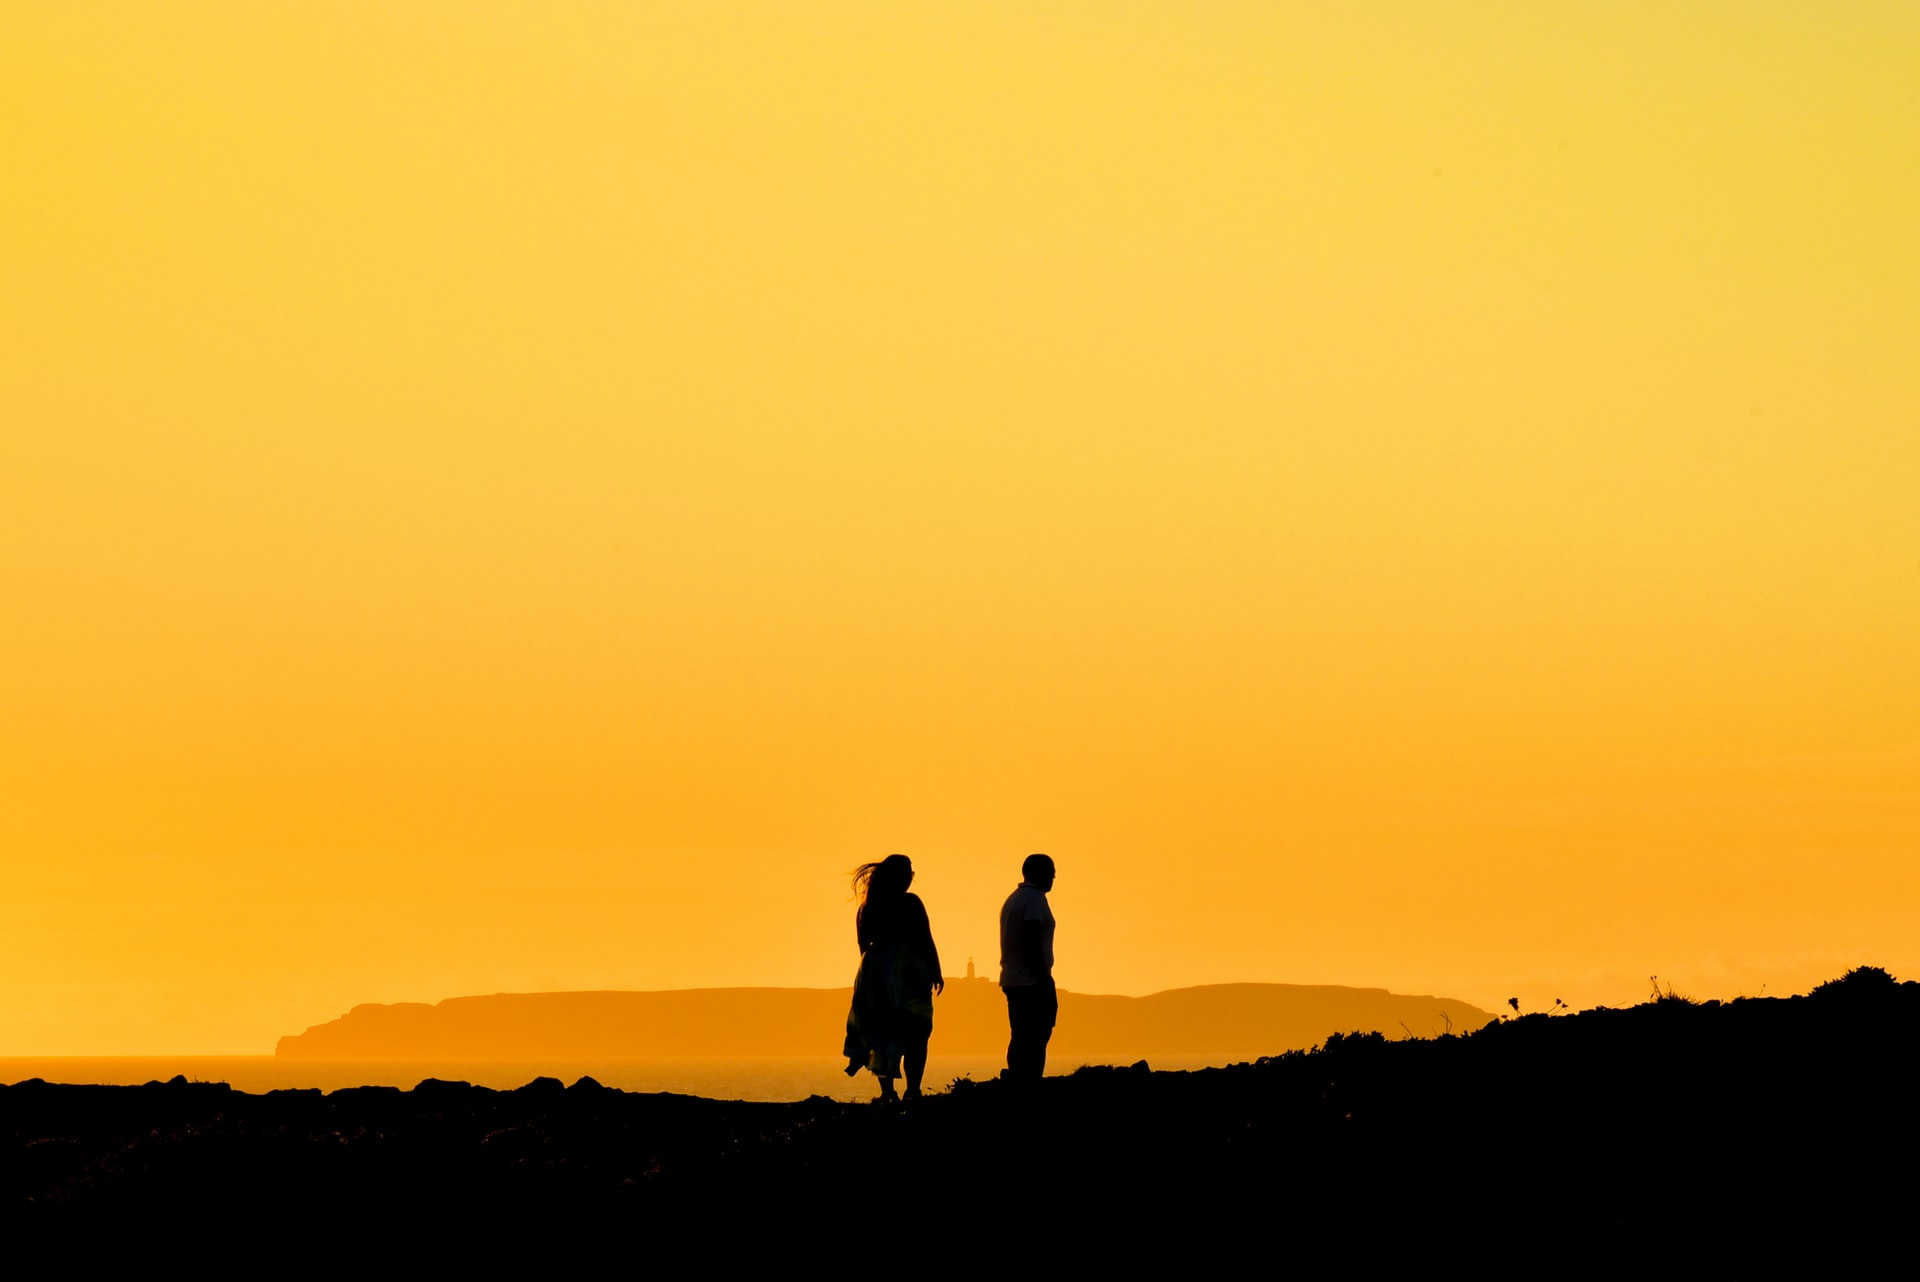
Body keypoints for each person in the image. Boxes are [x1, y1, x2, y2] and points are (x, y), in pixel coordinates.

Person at [842, 854, 944, 1102]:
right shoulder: (911, 903)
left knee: (883, 1031)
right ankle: (913, 1089)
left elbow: (862, 945)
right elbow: (924, 937)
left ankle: (888, 1092)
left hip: (876, 969)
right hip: (909, 971)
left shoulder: (868, 906)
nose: (911, 877)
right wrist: (936, 969)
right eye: (909, 872)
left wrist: (870, 975)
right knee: (917, 1031)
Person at [998, 853, 1057, 1082]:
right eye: (1050, 871)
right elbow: (1031, 934)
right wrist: (1043, 977)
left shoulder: (1015, 898)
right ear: (1038, 872)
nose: (1054, 876)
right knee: (1038, 1032)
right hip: (1030, 979)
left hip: (1012, 977)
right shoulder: (1035, 899)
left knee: (1020, 1034)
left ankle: (1017, 1076)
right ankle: (1030, 1079)